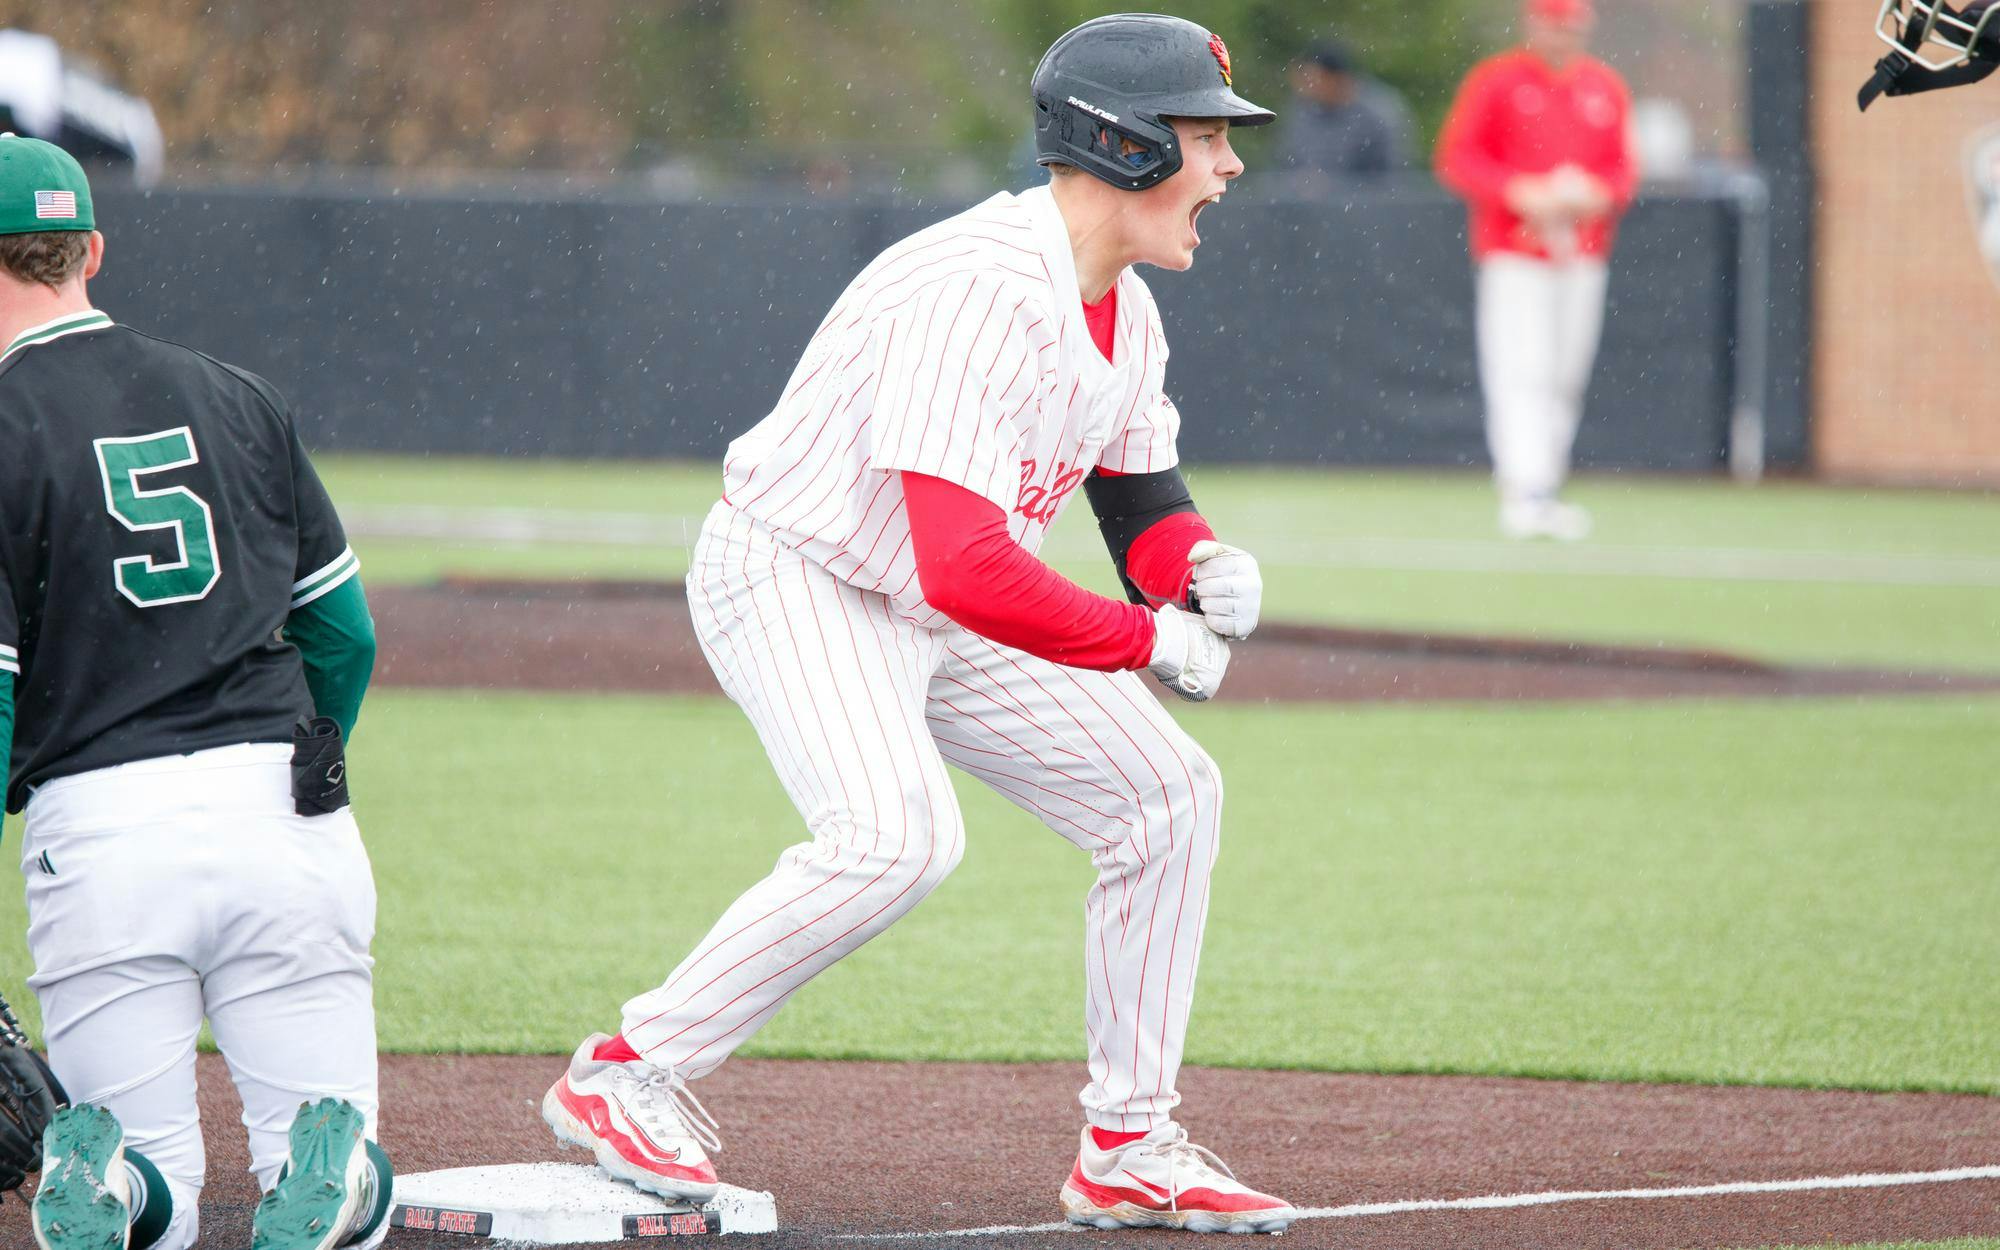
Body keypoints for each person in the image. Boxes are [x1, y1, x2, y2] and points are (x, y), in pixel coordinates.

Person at [543, 14, 1296, 1236]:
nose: (1228, 164)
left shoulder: (1126, 309)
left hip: (933, 594)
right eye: (1206, 136)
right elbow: (965, 568)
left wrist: (1198, 564)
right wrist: (1146, 637)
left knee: (1167, 796)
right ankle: (624, 1069)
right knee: (895, 838)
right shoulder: (977, 289)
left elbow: (1135, 500)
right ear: (1122, 143)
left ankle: (1126, 1143)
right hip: (802, 571)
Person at [0, 134, 392, 1250]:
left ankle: (120, 1186)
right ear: (91, 250)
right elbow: (344, 634)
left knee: (149, 1171)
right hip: (277, 801)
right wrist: (305, 770)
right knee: (319, 1166)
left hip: (100, 835)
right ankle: (348, 1180)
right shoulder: (236, 396)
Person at [1435, 0, 1635, 540]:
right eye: (1553, 23)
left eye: (1572, 25)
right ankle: (1527, 488)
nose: (1563, 35)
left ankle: (1546, 481)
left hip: (1582, 253)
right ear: (1532, 24)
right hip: (1515, 251)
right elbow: (1458, 157)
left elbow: (1621, 172)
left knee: (1566, 374)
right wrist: (1519, 192)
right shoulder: (1497, 82)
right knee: (1521, 369)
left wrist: (1593, 194)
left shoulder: (1603, 87)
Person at [1275, 41, 1413, 190]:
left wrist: (1331, 186)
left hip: (1366, 209)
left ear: (1336, 78)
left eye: (1314, 78)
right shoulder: (1303, 112)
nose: (1308, 87)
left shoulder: (1379, 115)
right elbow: (1283, 163)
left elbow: (1390, 178)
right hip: (1307, 210)